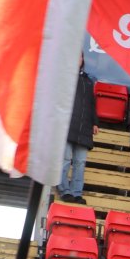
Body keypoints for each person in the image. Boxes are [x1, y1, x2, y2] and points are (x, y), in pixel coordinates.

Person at [58, 57, 95, 204]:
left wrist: (95, 123)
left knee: (80, 162)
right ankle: (64, 190)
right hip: (67, 125)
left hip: (84, 128)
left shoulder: (88, 81)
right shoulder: (64, 77)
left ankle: (76, 193)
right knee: (66, 159)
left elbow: (92, 104)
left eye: (80, 56)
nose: (78, 59)